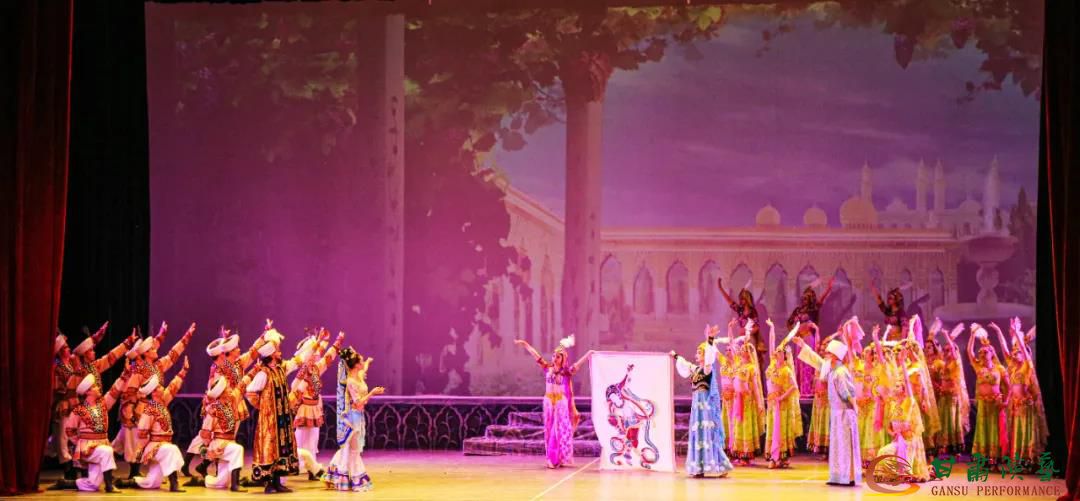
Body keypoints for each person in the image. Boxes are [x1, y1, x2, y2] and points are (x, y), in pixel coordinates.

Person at [245, 324, 319, 493]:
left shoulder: (280, 368)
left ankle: (277, 482)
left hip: (282, 417)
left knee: (281, 448)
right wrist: (263, 407)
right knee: (269, 448)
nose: (280, 352)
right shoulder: (263, 373)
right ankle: (268, 483)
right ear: (271, 354)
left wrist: (313, 345)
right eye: (277, 350)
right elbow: (250, 392)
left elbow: (297, 360)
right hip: (270, 419)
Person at [116, 322, 194, 480]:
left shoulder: (157, 366)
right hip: (140, 409)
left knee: (148, 439)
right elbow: (129, 393)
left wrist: (187, 336)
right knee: (134, 439)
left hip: (155, 406)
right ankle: (133, 471)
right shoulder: (138, 370)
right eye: (152, 349)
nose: (155, 350)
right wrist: (129, 413)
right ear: (145, 353)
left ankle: (149, 470)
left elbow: (173, 355)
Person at [184, 327, 262, 481]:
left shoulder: (238, 363)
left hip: (235, 404)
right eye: (236, 348)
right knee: (207, 437)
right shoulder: (218, 369)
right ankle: (190, 464)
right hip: (219, 406)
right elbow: (213, 389)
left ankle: (208, 467)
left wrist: (263, 336)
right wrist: (214, 407)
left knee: (228, 439)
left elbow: (253, 352)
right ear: (229, 352)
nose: (239, 349)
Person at [513, 335, 594, 469]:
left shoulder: (566, 372)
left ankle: (554, 459)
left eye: (558, 357)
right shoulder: (547, 368)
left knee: (558, 431)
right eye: (554, 356)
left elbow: (579, 364)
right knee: (550, 430)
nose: (555, 358)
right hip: (549, 403)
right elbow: (536, 355)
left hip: (560, 404)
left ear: (563, 359)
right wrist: (525, 344)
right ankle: (555, 458)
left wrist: (589, 353)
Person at [792, 331, 861, 486]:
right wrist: (803, 345)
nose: (826, 356)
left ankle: (848, 476)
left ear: (835, 356)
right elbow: (817, 361)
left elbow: (848, 393)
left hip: (844, 413)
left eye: (829, 354)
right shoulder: (832, 369)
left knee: (845, 445)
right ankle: (838, 476)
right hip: (836, 413)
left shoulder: (840, 372)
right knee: (837, 446)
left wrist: (854, 409)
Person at [670, 328, 734, 478]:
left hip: (705, 408)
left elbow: (710, 358)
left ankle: (719, 466)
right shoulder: (696, 369)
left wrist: (710, 339)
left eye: (699, 353)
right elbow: (685, 364)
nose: (696, 355)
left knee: (707, 435)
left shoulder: (707, 369)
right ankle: (699, 468)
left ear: (705, 355)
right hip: (696, 408)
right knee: (698, 435)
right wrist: (675, 356)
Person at [118, 360, 189, 492]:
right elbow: (142, 432)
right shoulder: (149, 410)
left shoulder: (163, 402)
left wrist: (183, 371)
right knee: (172, 450)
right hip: (154, 447)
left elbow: (173, 387)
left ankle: (128, 483)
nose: (163, 388)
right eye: (159, 387)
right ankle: (174, 483)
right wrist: (140, 451)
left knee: (152, 483)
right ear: (154, 392)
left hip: (163, 445)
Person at [323, 347, 383, 491]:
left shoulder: (358, 376)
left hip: (358, 416)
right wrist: (372, 393)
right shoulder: (350, 381)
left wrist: (368, 362)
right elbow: (358, 402)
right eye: (361, 361)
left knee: (349, 448)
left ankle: (335, 474)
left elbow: (364, 369)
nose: (362, 363)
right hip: (352, 417)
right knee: (353, 450)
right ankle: (356, 479)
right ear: (355, 365)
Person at [993, 320, 1048, 467]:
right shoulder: (1013, 368)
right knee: (1018, 434)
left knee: (1027, 433)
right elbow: (1004, 349)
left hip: (1027, 406)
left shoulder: (1027, 366)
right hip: (1017, 407)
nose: (1014, 353)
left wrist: (1017, 334)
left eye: (1017, 352)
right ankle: (1020, 461)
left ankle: (1030, 461)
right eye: (1014, 352)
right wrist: (998, 331)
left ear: (1024, 355)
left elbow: (1023, 348)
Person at [63, 372, 129, 493]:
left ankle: (65, 484)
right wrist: (80, 444)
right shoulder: (79, 410)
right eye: (95, 386)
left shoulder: (103, 405)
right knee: (107, 451)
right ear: (88, 392)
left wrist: (124, 376)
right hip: (87, 448)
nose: (98, 388)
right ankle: (109, 486)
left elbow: (114, 391)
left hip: (101, 444)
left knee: (93, 485)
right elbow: (69, 430)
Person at [293, 329, 344, 480]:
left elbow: (328, 357)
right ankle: (295, 464)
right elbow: (294, 387)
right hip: (304, 407)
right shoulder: (304, 370)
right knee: (300, 438)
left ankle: (312, 469)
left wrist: (337, 341)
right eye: (314, 354)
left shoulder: (316, 368)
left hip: (314, 407)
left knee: (313, 439)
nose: (317, 355)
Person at [763, 319, 802, 469]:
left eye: (779, 352)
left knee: (780, 430)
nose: (776, 353)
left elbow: (794, 387)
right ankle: (774, 457)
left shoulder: (786, 370)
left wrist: (781, 397)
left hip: (781, 404)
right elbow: (771, 343)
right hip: (772, 403)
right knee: (772, 429)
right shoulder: (773, 366)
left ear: (784, 356)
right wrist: (772, 328)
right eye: (776, 352)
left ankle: (778, 457)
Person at [968, 324, 1009, 465]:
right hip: (983, 403)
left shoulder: (1000, 368)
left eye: (985, 352)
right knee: (982, 428)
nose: (982, 354)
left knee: (994, 429)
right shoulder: (978, 367)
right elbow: (969, 352)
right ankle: (983, 457)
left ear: (992, 353)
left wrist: (1006, 401)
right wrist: (972, 335)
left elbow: (1009, 387)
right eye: (980, 352)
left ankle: (994, 457)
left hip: (995, 404)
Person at [200, 377, 247, 492]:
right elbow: (205, 430)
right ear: (221, 393)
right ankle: (235, 485)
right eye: (227, 389)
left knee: (222, 483)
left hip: (229, 442)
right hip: (218, 444)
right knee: (238, 449)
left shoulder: (229, 405)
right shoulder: (213, 409)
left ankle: (208, 480)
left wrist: (254, 372)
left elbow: (240, 387)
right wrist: (209, 448)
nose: (230, 390)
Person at [930, 320, 970, 455]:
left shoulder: (956, 363)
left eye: (949, 350)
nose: (947, 352)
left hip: (953, 397)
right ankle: (943, 446)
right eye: (945, 350)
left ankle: (956, 448)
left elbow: (953, 349)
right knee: (943, 421)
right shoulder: (943, 364)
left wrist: (947, 337)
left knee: (953, 421)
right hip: (943, 396)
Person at [729, 323, 764, 466]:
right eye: (742, 349)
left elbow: (755, 386)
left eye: (745, 350)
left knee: (746, 425)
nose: (741, 350)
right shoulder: (738, 365)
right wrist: (733, 331)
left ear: (749, 353)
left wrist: (760, 403)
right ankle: (740, 453)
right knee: (738, 425)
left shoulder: (751, 368)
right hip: (737, 399)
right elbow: (732, 344)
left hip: (747, 401)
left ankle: (746, 455)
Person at [718, 278, 764, 355]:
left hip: (749, 339)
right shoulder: (740, 310)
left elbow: (757, 327)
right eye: (741, 299)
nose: (741, 301)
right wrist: (721, 288)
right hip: (741, 338)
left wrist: (747, 332)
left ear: (747, 299)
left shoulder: (752, 311)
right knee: (737, 353)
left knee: (748, 357)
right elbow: (729, 300)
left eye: (743, 299)